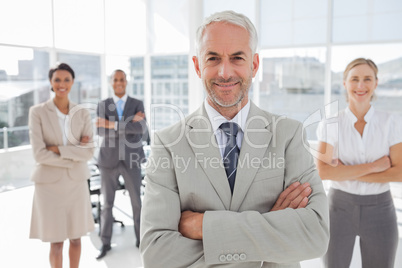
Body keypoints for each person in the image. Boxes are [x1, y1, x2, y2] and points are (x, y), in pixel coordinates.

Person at [140, 10, 329, 267]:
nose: (224, 72)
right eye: (213, 58)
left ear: (254, 64)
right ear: (197, 66)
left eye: (237, 58)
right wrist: (270, 231)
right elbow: (157, 254)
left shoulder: (288, 135)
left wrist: (204, 226)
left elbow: (315, 235)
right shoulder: (168, 143)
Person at [316, 58, 402, 268]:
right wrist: (374, 166)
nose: (360, 85)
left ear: (376, 83)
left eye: (367, 79)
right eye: (354, 79)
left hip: (381, 210)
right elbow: (323, 172)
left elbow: (399, 173)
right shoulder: (331, 123)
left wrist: (344, 171)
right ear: (345, 83)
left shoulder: (391, 121)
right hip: (338, 209)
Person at [29, 63, 95, 268]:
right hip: (49, 187)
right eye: (57, 79)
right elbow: (39, 154)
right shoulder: (37, 112)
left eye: (66, 79)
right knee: (56, 243)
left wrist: (58, 149)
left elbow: (89, 152)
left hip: (76, 184)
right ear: (51, 82)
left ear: (73, 82)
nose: (62, 84)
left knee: (76, 238)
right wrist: (75, 153)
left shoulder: (82, 113)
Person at [95, 69, 149, 259]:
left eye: (122, 79)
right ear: (111, 82)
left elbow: (140, 129)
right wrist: (127, 124)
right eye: (115, 79)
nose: (119, 82)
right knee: (107, 204)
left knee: (137, 203)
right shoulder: (103, 104)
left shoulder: (137, 103)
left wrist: (114, 124)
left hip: (131, 160)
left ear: (126, 81)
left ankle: (141, 240)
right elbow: (101, 131)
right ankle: (105, 242)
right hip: (108, 161)